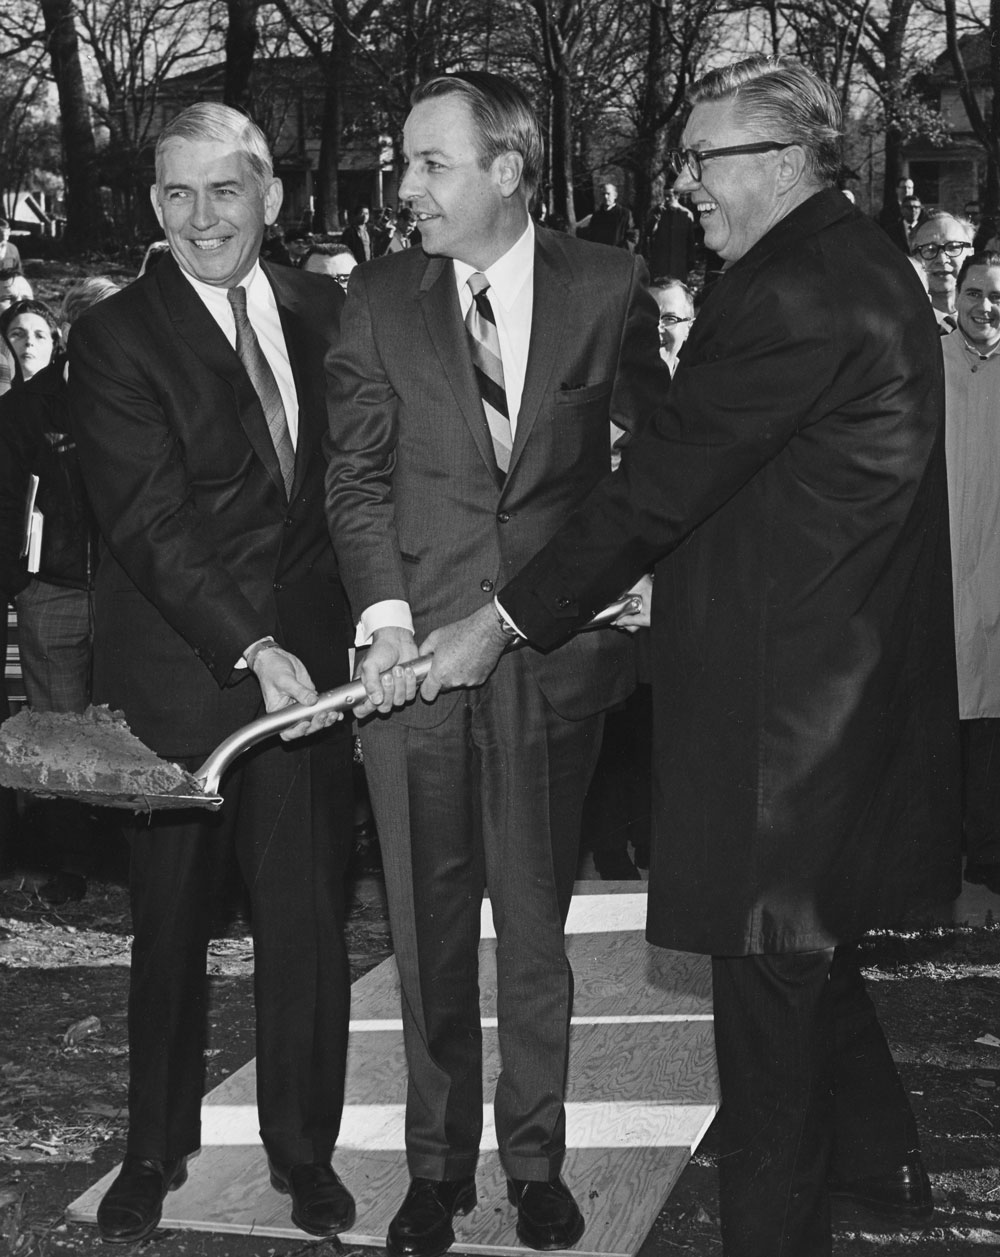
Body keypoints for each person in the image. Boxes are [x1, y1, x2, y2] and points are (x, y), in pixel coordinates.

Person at [411, 55, 961, 1257]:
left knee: (766, 1012)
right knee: (809, 960)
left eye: (702, 159)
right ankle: (881, 1168)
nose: (683, 186)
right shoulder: (838, 265)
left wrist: (500, 622)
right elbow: (772, 483)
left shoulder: (798, 290)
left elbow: (659, 488)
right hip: (822, 681)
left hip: (788, 721)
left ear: (780, 161)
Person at [323, 69, 662, 1257]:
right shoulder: (375, 297)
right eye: (403, 162)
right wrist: (385, 618)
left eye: (429, 163)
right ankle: (433, 1171)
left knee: (532, 934)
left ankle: (536, 1167)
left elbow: (649, 470)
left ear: (507, 172)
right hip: (409, 671)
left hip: (548, 667)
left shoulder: (607, 286)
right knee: (422, 933)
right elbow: (354, 477)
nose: (402, 185)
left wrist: (627, 584)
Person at [69, 102, 357, 1244]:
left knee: (307, 930)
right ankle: (153, 1151)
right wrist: (250, 644)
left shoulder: (329, 310)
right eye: (176, 195)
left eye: (223, 191)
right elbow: (149, 523)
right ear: (153, 206)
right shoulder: (116, 337)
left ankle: (305, 1157)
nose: (200, 218)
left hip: (313, 686)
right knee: (169, 932)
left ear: (269, 196)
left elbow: (357, 487)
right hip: (188, 684)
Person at [0, 281, 118, 905]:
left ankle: (129, 849)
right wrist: (22, 582)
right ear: (72, 331)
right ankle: (70, 859)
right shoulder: (29, 407)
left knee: (131, 719)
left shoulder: (145, 394)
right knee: (60, 725)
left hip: (134, 594)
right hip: (54, 591)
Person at [940, 251, 1000, 896]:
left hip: (995, 564)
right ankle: (938, 848)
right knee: (942, 715)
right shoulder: (927, 365)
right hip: (941, 562)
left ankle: (988, 849)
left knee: (992, 722)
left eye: (998, 296)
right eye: (975, 292)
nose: (986, 307)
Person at [910, 211, 975, 328]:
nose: (942, 259)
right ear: (915, 259)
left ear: (971, 254)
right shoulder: (902, 327)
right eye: (929, 249)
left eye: (953, 247)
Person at [640, 184, 696, 280]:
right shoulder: (656, 212)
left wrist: (691, 262)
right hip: (660, 263)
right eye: (664, 195)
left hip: (678, 263)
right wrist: (655, 218)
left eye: (669, 196)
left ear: (677, 196)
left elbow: (690, 241)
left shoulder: (686, 215)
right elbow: (647, 235)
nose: (666, 199)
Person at [649, 276, 695, 375]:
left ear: (689, 328)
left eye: (670, 319)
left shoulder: (698, 388)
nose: (657, 329)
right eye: (649, 316)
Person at [579, 182, 638, 250]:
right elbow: (591, 236)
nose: (605, 197)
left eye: (608, 194)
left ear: (615, 195)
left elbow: (632, 236)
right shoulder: (596, 216)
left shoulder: (625, 214)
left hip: (618, 255)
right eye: (603, 194)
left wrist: (624, 252)